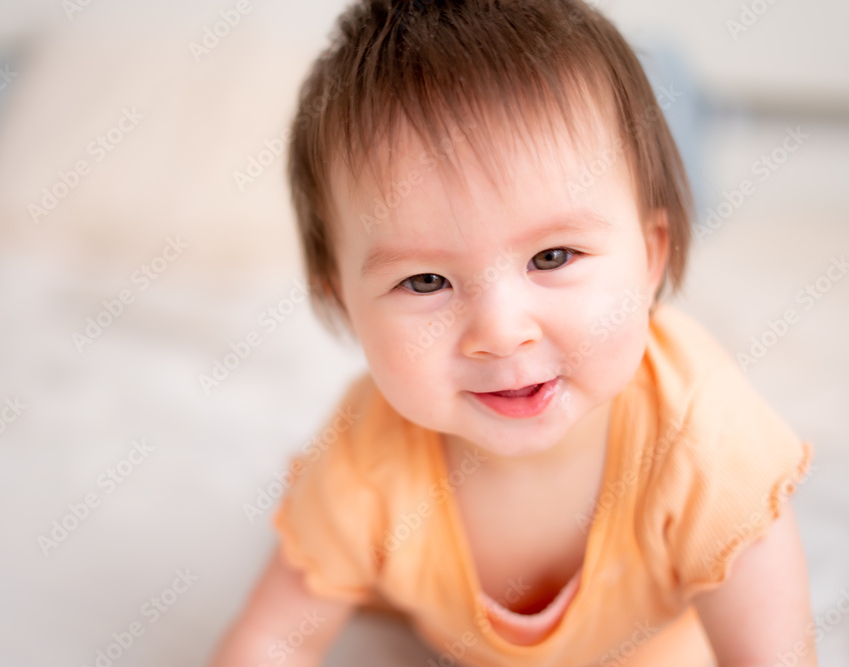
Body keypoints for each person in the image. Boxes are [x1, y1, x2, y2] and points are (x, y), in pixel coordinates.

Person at [212, 0, 816, 664]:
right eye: (425, 281)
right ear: (346, 304)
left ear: (652, 256)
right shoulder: (366, 458)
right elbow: (271, 642)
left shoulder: (704, 438)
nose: (500, 334)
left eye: (552, 258)